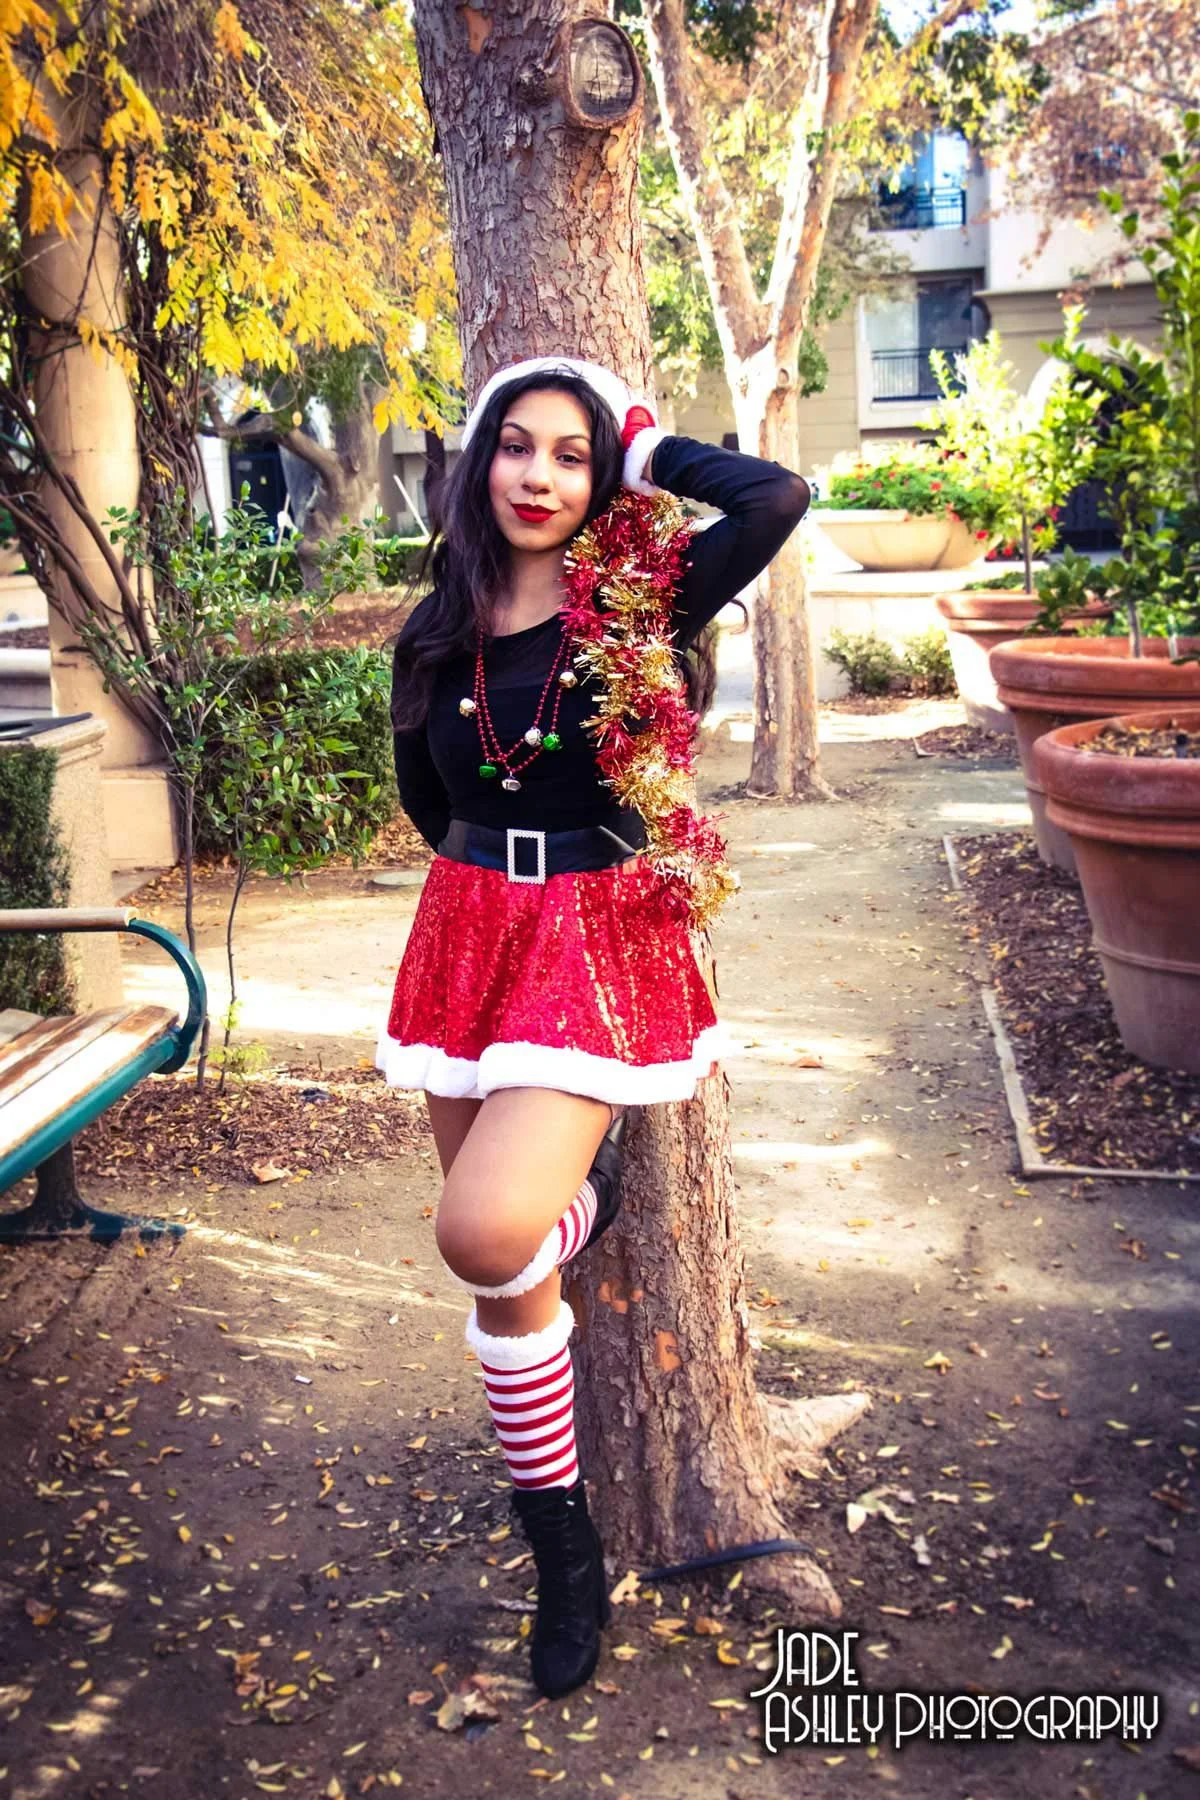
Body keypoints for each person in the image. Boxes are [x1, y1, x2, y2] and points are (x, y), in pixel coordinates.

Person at [376, 355, 810, 1699]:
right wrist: (483, 884)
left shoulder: (644, 598)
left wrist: (646, 450)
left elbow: (775, 497)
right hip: (467, 932)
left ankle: (585, 1201)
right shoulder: (436, 626)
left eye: (570, 454)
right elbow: (424, 794)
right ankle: (564, 1553)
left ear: (599, 473)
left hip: (593, 937)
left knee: (487, 1232)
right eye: (517, 446)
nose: (539, 476)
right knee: (503, 1285)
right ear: (478, 463)